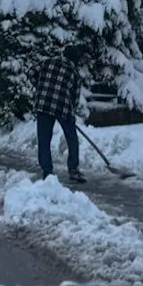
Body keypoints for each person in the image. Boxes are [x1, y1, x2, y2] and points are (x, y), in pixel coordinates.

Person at [33, 42, 87, 183]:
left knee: (44, 140)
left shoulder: (46, 62)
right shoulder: (74, 73)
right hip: (63, 108)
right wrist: (71, 114)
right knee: (72, 139)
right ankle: (73, 170)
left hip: (43, 105)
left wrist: (40, 86)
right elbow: (74, 98)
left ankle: (47, 172)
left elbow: (31, 73)